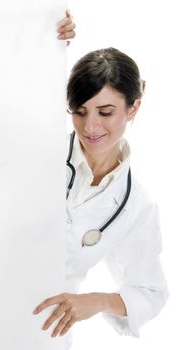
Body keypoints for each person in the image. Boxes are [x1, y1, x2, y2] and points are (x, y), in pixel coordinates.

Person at [33, 9, 169, 347]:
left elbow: (151, 291)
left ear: (133, 107)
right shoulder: (35, 156)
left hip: (42, 335)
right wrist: (40, 27)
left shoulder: (136, 205)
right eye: (79, 112)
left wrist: (95, 301)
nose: (90, 127)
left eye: (105, 112)